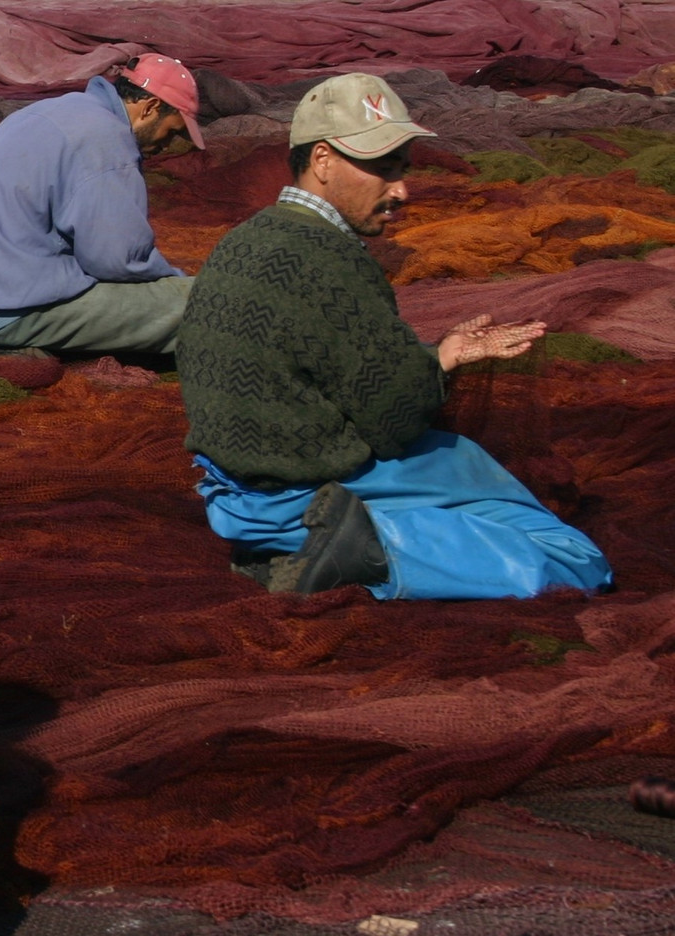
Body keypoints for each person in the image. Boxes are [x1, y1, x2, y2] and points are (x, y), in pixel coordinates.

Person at [175, 73, 612, 599]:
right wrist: (437, 367)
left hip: (232, 495)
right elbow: (395, 419)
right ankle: (365, 552)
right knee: (574, 560)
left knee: (466, 469)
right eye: (382, 169)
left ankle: (294, 548)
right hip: (299, 492)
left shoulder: (244, 239)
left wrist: (436, 357)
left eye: (402, 169)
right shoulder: (330, 259)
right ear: (322, 161)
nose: (401, 190)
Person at [0, 52, 205, 359]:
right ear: (150, 108)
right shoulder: (105, 138)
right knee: (207, 306)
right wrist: (172, 279)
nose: (167, 145)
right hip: (16, 312)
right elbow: (117, 260)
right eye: (172, 131)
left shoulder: (53, 110)